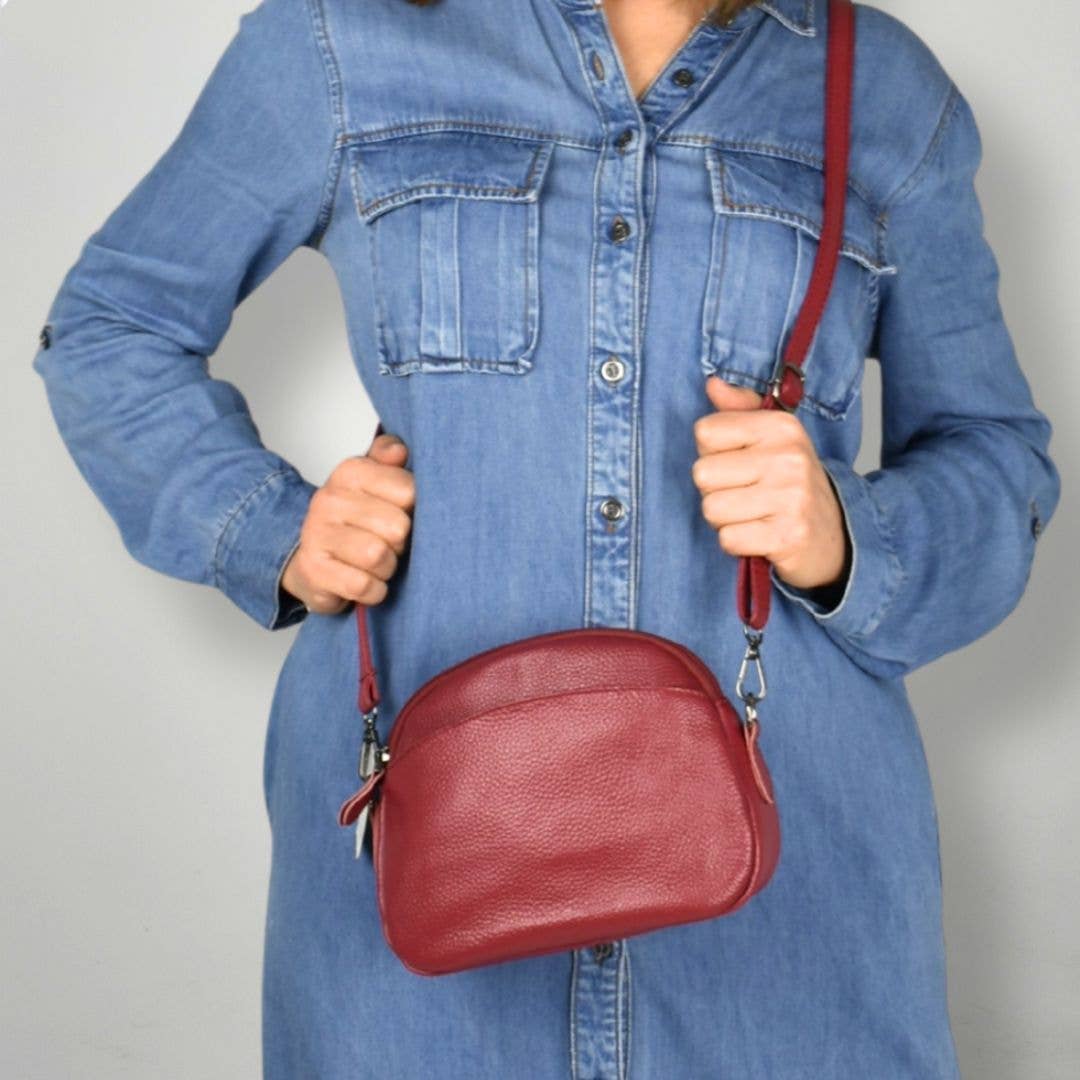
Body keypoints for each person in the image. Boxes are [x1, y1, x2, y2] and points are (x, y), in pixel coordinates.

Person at [32, 0, 1061, 1076]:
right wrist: (271, 530)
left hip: (791, 891)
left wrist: (845, 533)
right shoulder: (338, 42)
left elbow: (996, 457)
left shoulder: (881, 88)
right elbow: (110, 327)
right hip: (424, 860)